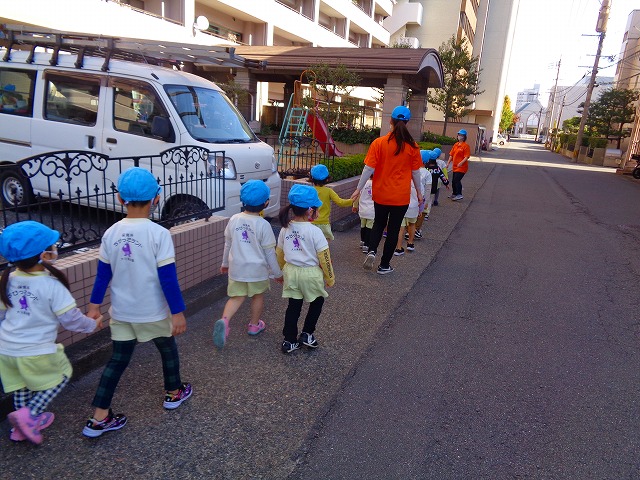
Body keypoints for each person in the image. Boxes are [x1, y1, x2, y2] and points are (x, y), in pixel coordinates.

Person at [83, 167, 191, 438]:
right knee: (167, 350)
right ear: (156, 199)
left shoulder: (111, 233)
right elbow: (168, 278)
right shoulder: (159, 234)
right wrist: (177, 312)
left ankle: (98, 418)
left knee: (117, 361)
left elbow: (103, 275)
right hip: (153, 312)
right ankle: (173, 393)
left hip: (121, 313)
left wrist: (94, 307)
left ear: (120, 199)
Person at [0, 221, 100, 445]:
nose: (56, 248)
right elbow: (71, 319)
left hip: (6, 349)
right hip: (36, 350)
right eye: (52, 245)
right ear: (44, 255)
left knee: (21, 386)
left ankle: (20, 428)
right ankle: (29, 416)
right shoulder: (51, 285)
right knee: (61, 377)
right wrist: (91, 325)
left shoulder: (6, 281)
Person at [350, 105, 423, 275]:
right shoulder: (413, 147)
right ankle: (384, 265)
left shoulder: (379, 143)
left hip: (381, 193)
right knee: (394, 229)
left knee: (378, 224)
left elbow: (368, 168)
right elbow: (416, 173)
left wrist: (358, 189)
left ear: (391, 120)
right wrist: (419, 193)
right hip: (401, 197)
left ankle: (372, 251)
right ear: (407, 122)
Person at [214, 180, 283, 349]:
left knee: (236, 297)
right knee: (257, 296)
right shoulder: (264, 225)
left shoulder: (234, 219)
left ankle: (225, 321)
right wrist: (277, 273)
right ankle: (254, 325)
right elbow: (270, 253)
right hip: (257, 271)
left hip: (237, 268)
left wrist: (225, 263)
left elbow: (228, 244)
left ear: (242, 200)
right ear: (266, 203)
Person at [276, 184, 335, 354]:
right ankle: (307, 334)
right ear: (310, 211)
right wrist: (330, 277)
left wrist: (281, 272)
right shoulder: (315, 231)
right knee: (317, 302)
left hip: (291, 272)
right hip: (311, 274)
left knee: (293, 306)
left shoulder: (285, 228)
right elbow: (325, 258)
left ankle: (289, 340)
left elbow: (279, 253)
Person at [309, 164, 353, 241]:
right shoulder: (328, 191)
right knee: (325, 244)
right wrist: (352, 201)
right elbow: (340, 202)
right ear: (327, 179)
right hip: (324, 224)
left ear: (312, 178)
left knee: (311, 244)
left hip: (311, 223)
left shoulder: (309, 191)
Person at [396, 157, 429, 255]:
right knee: (412, 224)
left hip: (401, 207)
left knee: (401, 228)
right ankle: (410, 243)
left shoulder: (401, 181)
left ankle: (398, 248)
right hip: (413, 207)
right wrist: (420, 210)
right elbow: (421, 198)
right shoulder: (418, 184)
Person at [447, 129, 471, 201]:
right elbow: (451, 154)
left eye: (461, 135)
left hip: (462, 167)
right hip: (455, 166)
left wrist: (461, 163)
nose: (459, 136)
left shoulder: (466, 146)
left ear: (464, 137)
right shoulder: (456, 145)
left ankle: (459, 194)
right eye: (459, 135)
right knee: (453, 181)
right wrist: (448, 163)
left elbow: (466, 156)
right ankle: (454, 193)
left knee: (457, 180)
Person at [354, 175, 374, 253]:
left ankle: (362, 241)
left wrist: (355, 205)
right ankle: (366, 245)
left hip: (362, 209)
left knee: (363, 226)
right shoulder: (377, 184)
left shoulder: (363, 183)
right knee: (369, 227)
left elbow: (357, 195)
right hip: (372, 210)